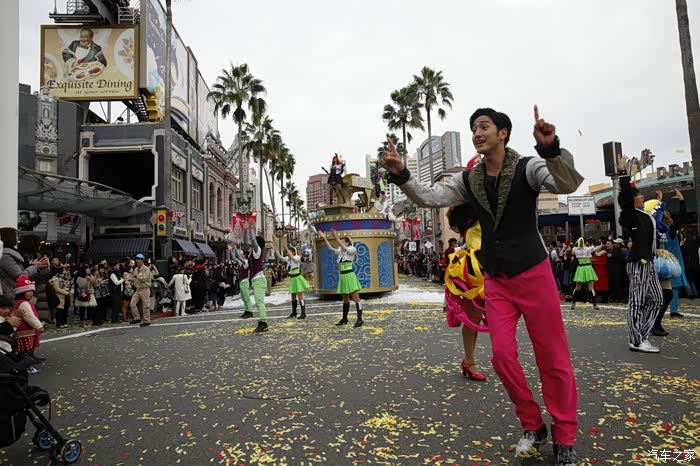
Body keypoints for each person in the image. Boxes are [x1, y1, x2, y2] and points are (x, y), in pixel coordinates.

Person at [384, 106, 583, 465]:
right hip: (497, 278)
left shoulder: (528, 167)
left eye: (484, 126)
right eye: (474, 127)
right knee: (501, 356)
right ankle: (533, 425)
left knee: (552, 358)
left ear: (503, 133)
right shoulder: (470, 179)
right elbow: (430, 196)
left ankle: (565, 435)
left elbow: (567, 184)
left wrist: (550, 148)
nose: (477, 133)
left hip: (534, 272)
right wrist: (402, 175)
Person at [617, 155, 663, 353]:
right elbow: (625, 198)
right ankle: (636, 340)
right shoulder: (631, 215)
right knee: (637, 301)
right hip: (638, 262)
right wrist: (623, 174)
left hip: (649, 263)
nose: (643, 197)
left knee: (657, 299)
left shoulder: (645, 216)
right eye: (639, 195)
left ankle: (642, 335)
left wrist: (660, 202)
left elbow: (659, 219)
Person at [318, 229, 364, 328]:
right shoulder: (341, 251)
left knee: (355, 297)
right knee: (345, 298)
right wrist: (325, 239)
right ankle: (344, 318)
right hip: (343, 276)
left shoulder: (351, 249)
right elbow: (332, 249)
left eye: (343, 241)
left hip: (349, 275)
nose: (341, 243)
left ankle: (360, 318)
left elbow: (344, 248)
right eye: (341, 241)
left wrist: (336, 237)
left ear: (347, 243)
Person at [0, 227, 46, 298]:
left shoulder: (10, 253)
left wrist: (32, 265)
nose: (18, 238)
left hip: (14, 290)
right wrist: (34, 267)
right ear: (10, 238)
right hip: (10, 292)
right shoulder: (6, 256)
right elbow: (20, 276)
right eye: (16, 236)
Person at [12, 276, 45, 374]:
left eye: (31, 291)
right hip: (25, 332)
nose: (31, 293)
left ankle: (23, 366)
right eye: (28, 291)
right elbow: (29, 317)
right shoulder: (23, 304)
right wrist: (39, 326)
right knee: (26, 351)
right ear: (21, 292)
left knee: (23, 351)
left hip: (23, 332)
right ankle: (27, 367)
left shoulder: (20, 302)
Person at [272, 238, 311, 319]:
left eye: (289, 251)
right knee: (293, 296)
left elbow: (293, 258)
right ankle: (294, 312)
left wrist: (286, 248)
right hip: (293, 278)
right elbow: (281, 257)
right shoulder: (288, 259)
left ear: (293, 252)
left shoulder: (297, 257)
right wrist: (275, 250)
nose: (288, 253)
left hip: (297, 277)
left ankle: (303, 312)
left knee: (300, 295)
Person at [570, 238, 600, 310]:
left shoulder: (575, 249)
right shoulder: (588, 249)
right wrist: (601, 245)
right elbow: (596, 248)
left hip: (580, 268)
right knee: (591, 288)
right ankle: (595, 304)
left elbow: (573, 250)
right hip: (588, 268)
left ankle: (573, 303)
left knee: (577, 287)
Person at [130, 254, 152, 327]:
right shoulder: (136, 269)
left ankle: (147, 320)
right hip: (138, 289)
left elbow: (144, 279)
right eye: (137, 259)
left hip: (145, 289)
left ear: (142, 260)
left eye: (139, 259)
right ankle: (137, 318)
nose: (137, 260)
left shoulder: (146, 269)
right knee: (132, 304)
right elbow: (135, 279)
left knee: (146, 305)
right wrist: (129, 279)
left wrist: (136, 276)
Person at [49, 264, 72, 328]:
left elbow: (71, 285)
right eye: (63, 270)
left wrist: (71, 291)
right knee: (60, 310)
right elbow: (57, 289)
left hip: (67, 295)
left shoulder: (67, 278)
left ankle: (65, 322)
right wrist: (66, 293)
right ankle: (59, 323)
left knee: (66, 309)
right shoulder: (56, 278)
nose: (65, 271)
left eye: (65, 270)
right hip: (60, 296)